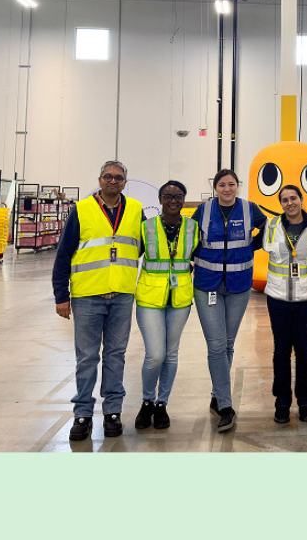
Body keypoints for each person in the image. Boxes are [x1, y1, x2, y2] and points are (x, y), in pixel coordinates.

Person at [51, 161, 144, 442]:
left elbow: (141, 248)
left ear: (125, 182)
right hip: (87, 296)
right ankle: (82, 414)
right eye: (108, 177)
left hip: (122, 295)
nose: (113, 181)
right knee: (87, 357)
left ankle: (112, 412)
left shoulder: (136, 210)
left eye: (118, 177)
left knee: (116, 355)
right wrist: (61, 295)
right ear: (100, 180)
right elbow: (64, 254)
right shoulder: (81, 209)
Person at [190, 168, 267, 433]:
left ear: (238, 186)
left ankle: (216, 393)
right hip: (207, 286)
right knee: (216, 345)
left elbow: (266, 228)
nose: (227, 189)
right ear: (215, 187)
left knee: (229, 344)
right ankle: (225, 404)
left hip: (238, 285)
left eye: (231, 184)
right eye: (222, 185)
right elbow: (191, 241)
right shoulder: (203, 210)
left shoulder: (249, 209)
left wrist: (252, 245)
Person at [132, 180, 200, 432]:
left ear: (184, 200)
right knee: (155, 355)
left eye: (178, 196)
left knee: (171, 354)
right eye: (168, 196)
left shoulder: (193, 227)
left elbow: (201, 256)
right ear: (160, 199)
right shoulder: (145, 227)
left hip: (180, 298)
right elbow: (130, 257)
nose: (173, 201)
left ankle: (162, 403)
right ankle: (147, 401)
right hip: (150, 297)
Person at [262, 184, 307, 425]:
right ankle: (282, 403)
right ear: (281, 204)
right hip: (277, 299)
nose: (290, 203)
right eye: (285, 200)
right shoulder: (271, 226)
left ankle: (306, 402)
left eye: (293, 198)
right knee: (281, 351)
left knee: (304, 351)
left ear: (301, 199)